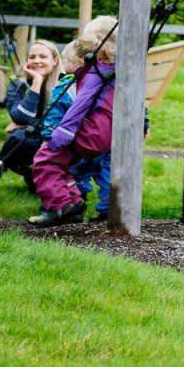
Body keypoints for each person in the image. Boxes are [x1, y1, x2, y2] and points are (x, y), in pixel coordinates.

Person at [28, 16, 117, 228]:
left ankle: (62, 204)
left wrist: (61, 134)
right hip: (108, 135)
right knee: (60, 162)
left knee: (45, 158)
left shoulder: (95, 73)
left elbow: (80, 105)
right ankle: (72, 202)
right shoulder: (116, 71)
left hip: (93, 135)